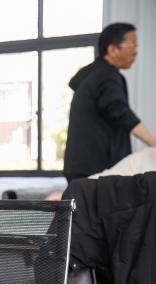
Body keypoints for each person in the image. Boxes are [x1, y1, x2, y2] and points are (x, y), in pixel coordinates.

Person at [63, 23, 156, 182]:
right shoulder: (106, 76)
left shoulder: (91, 75)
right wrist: (154, 143)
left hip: (80, 164)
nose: (135, 52)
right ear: (112, 49)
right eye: (132, 45)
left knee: (78, 197)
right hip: (96, 168)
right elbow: (121, 112)